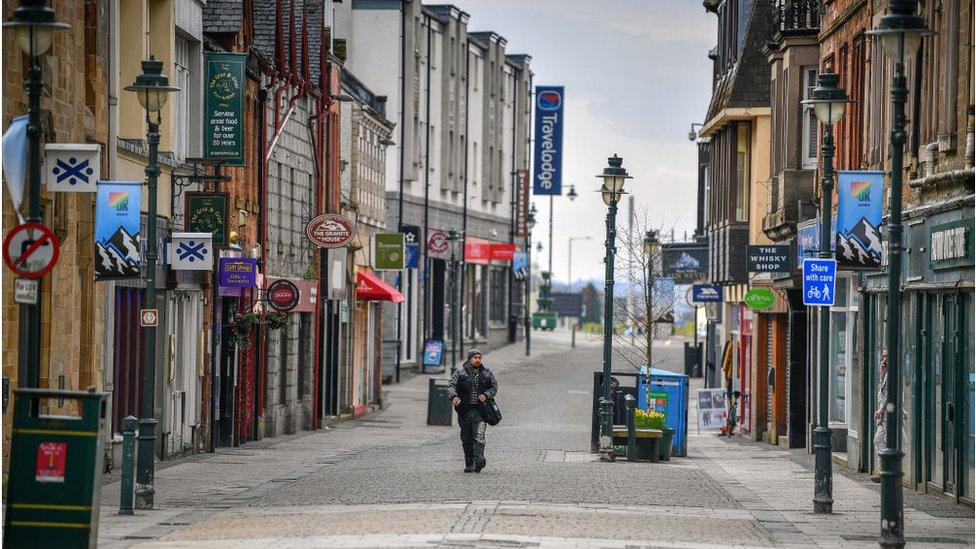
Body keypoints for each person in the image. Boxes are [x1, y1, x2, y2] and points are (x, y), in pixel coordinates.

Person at [447, 348, 498, 473]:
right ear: (469, 359)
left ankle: (479, 459)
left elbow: (494, 386)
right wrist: (454, 396)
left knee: (479, 435)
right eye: (475, 358)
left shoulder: (487, 373)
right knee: (466, 437)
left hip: (481, 411)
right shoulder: (460, 373)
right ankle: (469, 461)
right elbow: (451, 386)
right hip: (464, 411)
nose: (478, 360)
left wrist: (486, 395)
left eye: (479, 358)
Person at [872, 349, 889, 483]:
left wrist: (881, 410)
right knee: (878, 440)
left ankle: (888, 471)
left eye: (887, 356)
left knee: (892, 441)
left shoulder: (894, 374)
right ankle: (884, 470)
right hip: (884, 417)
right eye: (883, 356)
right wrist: (882, 374)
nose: (884, 359)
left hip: (889, 415)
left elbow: (890, 395)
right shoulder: (886, 374)